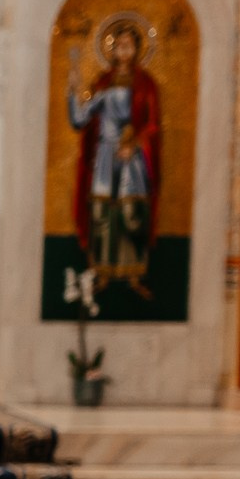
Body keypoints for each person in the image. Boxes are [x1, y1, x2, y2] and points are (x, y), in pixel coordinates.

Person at [67, 22, 159, 298]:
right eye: (119, 44)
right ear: (112, 49)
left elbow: (153, 124)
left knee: (132, 214)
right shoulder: (102, 83)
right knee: (102, 214)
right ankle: (102, 273)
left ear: (137, 49)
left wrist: (133, 142)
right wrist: (72, 91)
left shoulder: (146, 85)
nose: (123, 49)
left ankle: (134, 276)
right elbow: (80, 119)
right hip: (106, 155)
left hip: (132, 157)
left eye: (129, 44)